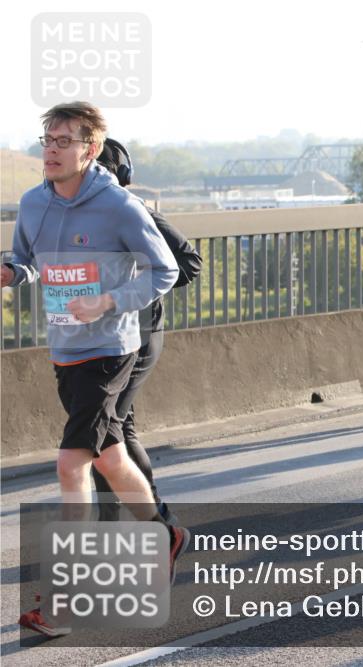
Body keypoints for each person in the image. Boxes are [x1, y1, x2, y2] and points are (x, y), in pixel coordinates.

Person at [1, 102, 189, 637]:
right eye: (47, 139)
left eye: (64, 141)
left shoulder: (119, 207)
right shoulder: (33, 202)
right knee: (109, 458)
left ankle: (63, 604)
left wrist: (108, 301)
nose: (51, 150)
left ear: (89, 149)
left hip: (110, 350)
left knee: (70, 465)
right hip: (65, 349)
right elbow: (29, 260)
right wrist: (11, 273)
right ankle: (164, 535)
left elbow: (166, 270)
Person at [92, 138, 203, 525]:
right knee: (120, 429)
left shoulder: (132, 210)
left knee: (104, 435)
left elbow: (189, 262)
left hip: (140, 334)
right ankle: (156, 522)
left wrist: (133, 288)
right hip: (105, 338)